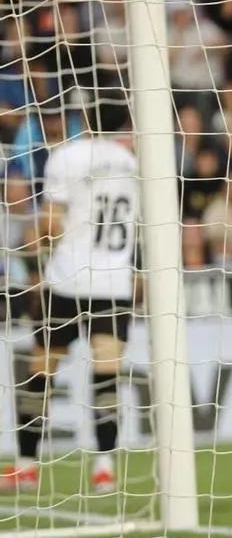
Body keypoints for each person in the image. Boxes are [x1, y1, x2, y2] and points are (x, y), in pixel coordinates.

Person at [2, 100, 137, 493]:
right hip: (115, 280)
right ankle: (105, 469)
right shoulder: (132, 161)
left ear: (86, 116)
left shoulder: (69, 155)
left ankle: (26, 467)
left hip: (68, 278)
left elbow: (49, 224)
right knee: (107, 372)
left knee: (42, 369)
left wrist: (31, 255)